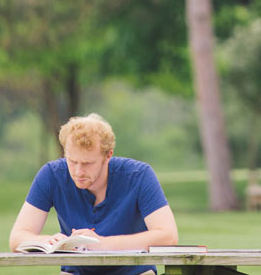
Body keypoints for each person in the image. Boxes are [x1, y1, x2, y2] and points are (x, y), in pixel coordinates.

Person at [9, 113, 179, 275]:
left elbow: (168, 236)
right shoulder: (51, 175)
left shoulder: (139, 175)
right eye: (72, 161)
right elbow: (17, 238)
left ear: (108, 156)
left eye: (87, 163)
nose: (78, 171)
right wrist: (48, 242)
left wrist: (103, 244)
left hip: (135, 271)